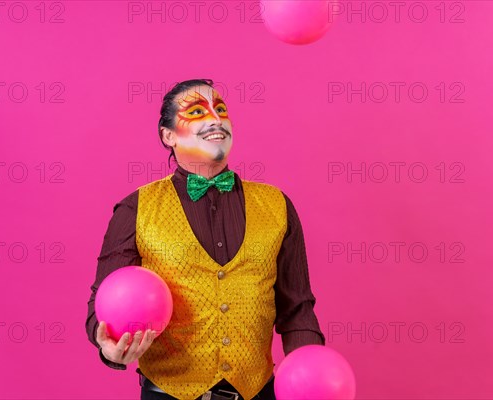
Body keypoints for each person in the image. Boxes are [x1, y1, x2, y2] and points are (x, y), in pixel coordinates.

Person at [86, 79, 325, 400]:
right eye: (197, 111)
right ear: (167, 136)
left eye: (221, 110)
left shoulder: (277, 204)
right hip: (167, 394)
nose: (215, 119)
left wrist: (310, 377)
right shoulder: (135, 208)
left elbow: (297, 308)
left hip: (258, 393)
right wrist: (109, 350)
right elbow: (101, 302)